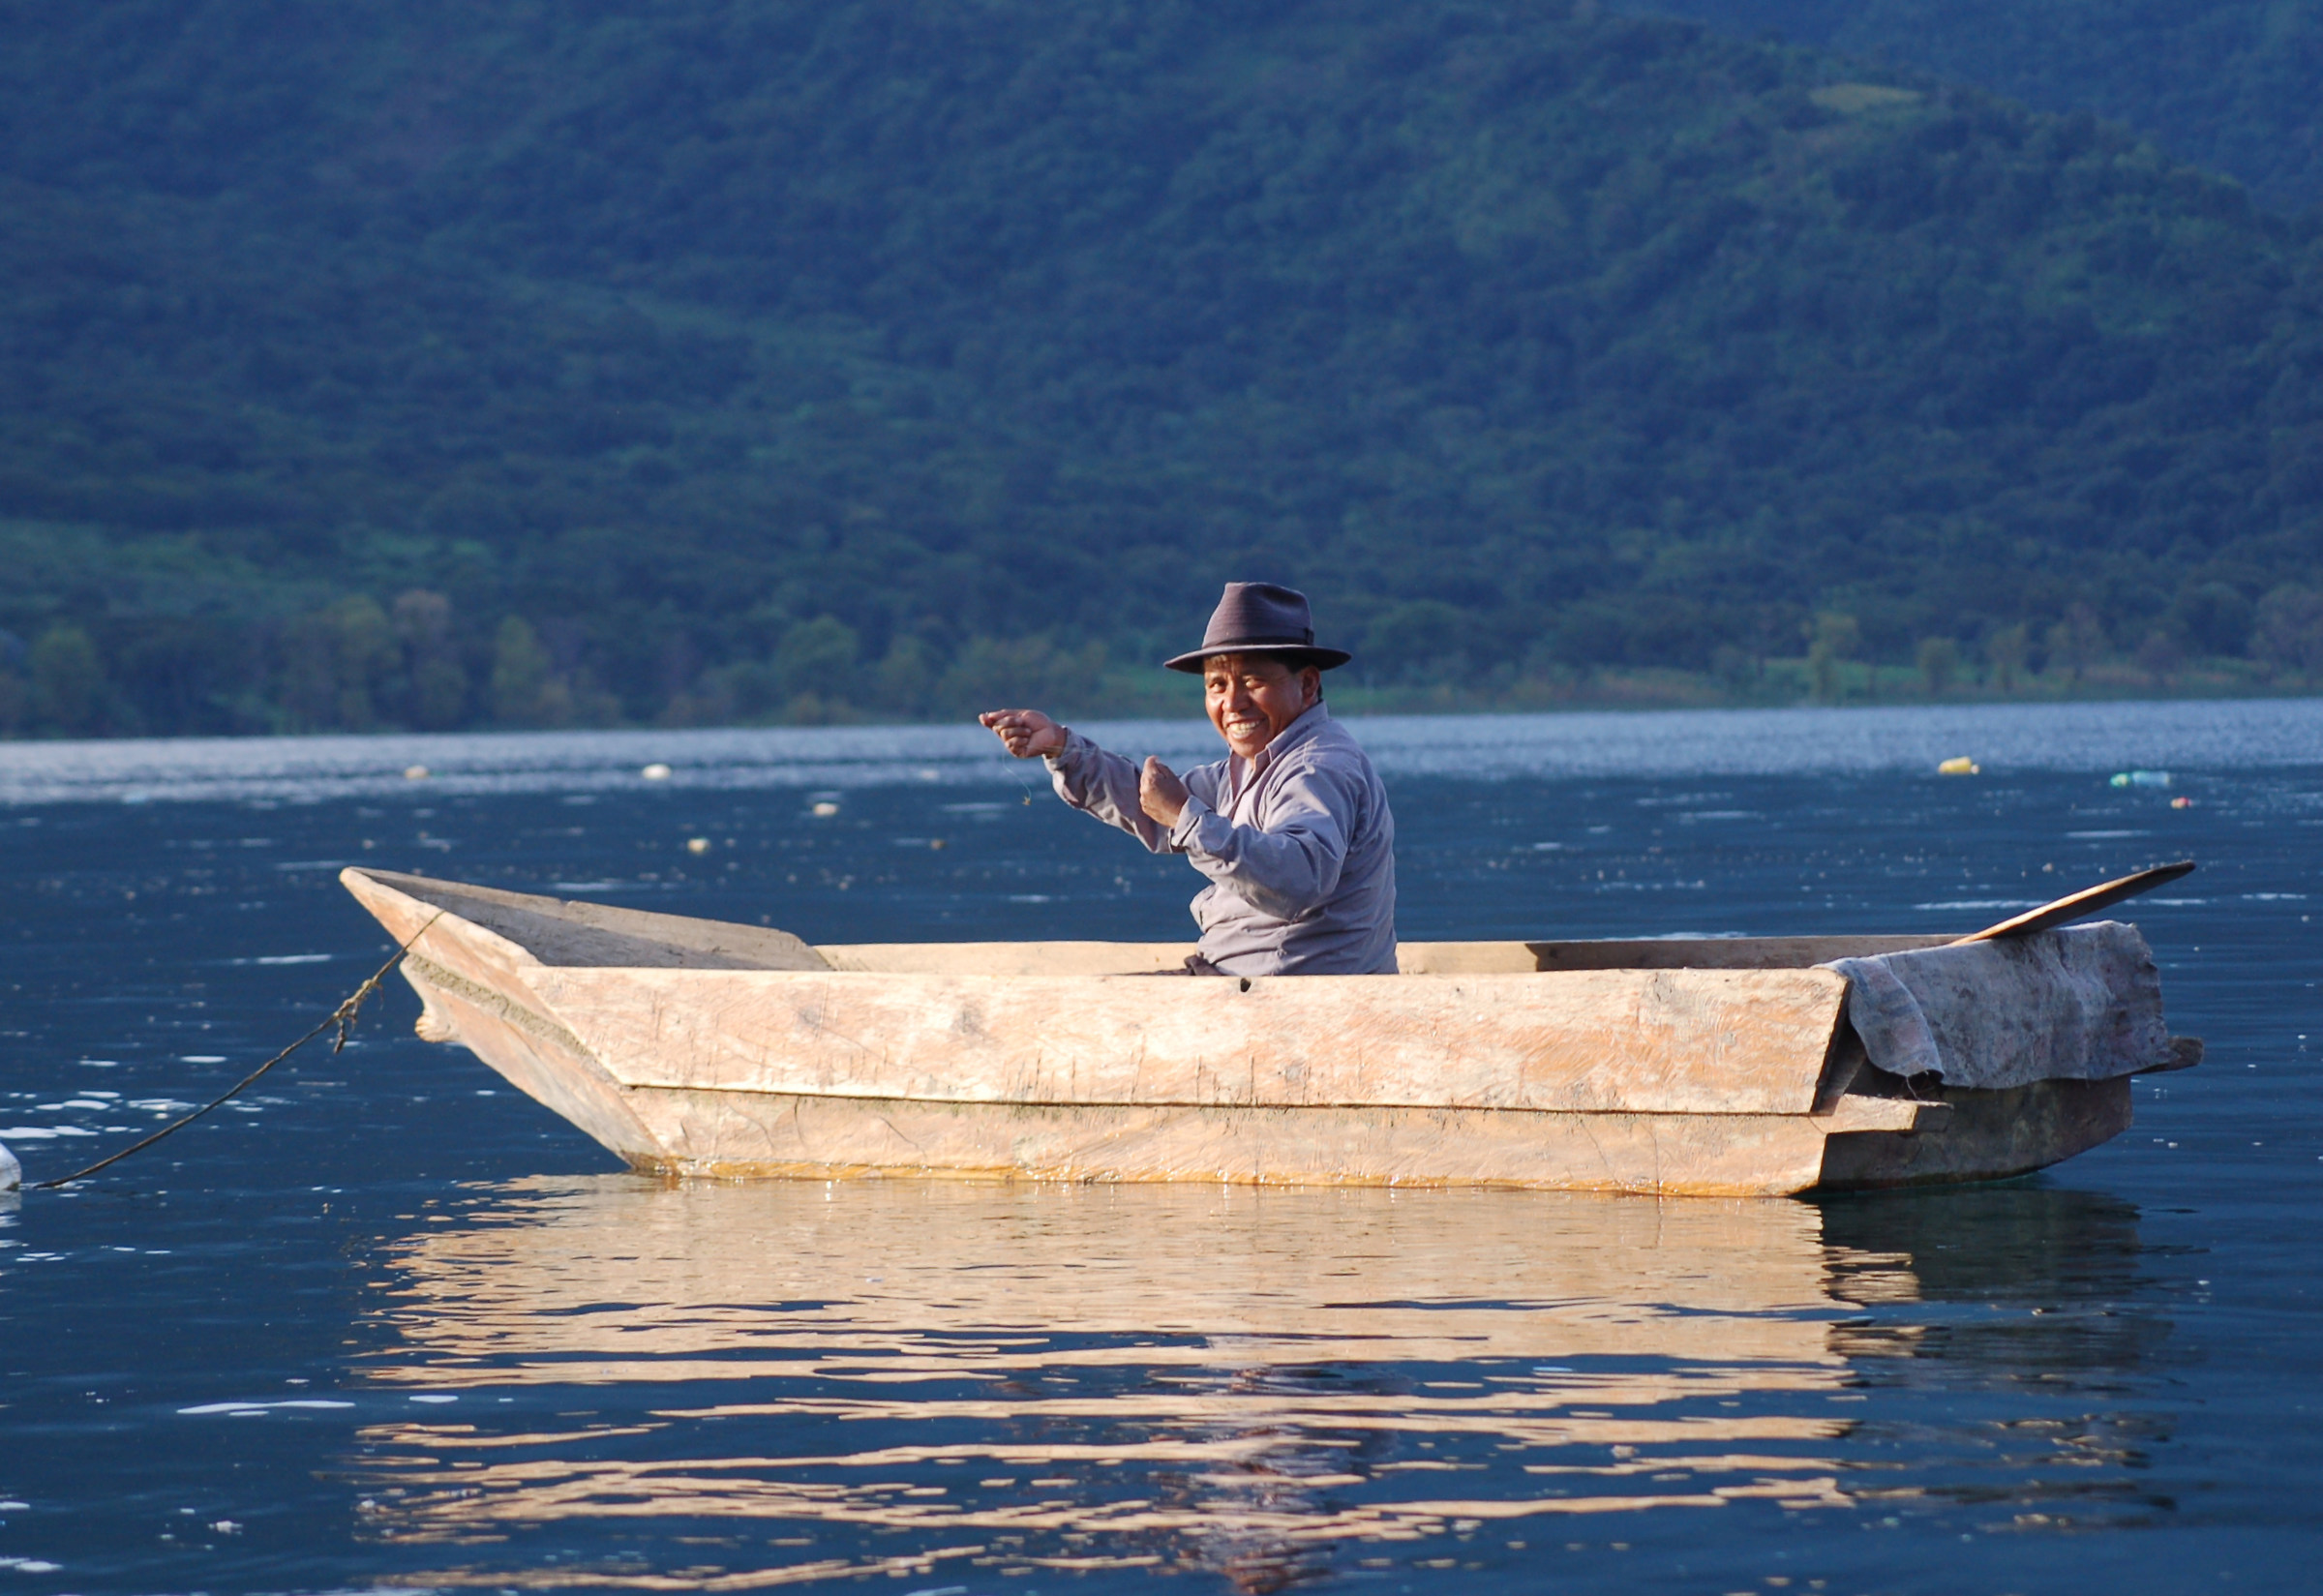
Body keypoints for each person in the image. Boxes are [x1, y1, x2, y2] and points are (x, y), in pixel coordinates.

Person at [980, 582, 1398, 976]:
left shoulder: (1316, 766)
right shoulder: (1251, 766)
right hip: (1239, 984)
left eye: (1252, 681)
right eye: (1217, 684)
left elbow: (1299, 877)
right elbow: (1146, 801)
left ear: (1307, 685)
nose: (1232, 702)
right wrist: (1062, 747)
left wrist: (1186, 817)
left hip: (1291, 997)